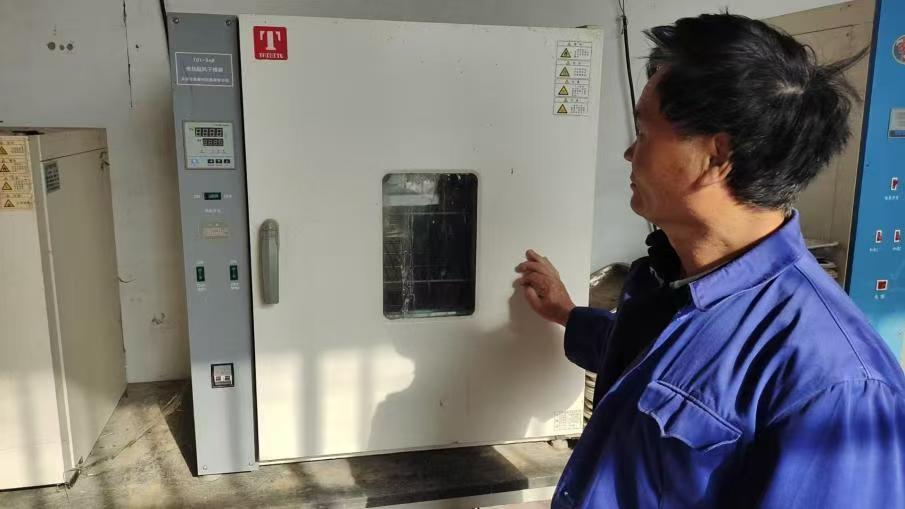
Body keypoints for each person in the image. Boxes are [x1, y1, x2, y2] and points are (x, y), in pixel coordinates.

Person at [516, 13, 905, 508]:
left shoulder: (837, 385)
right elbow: (655, 359)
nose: (630, 152)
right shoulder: (677, 280)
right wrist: (566, 314)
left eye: (645, 131)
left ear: (717, 156)